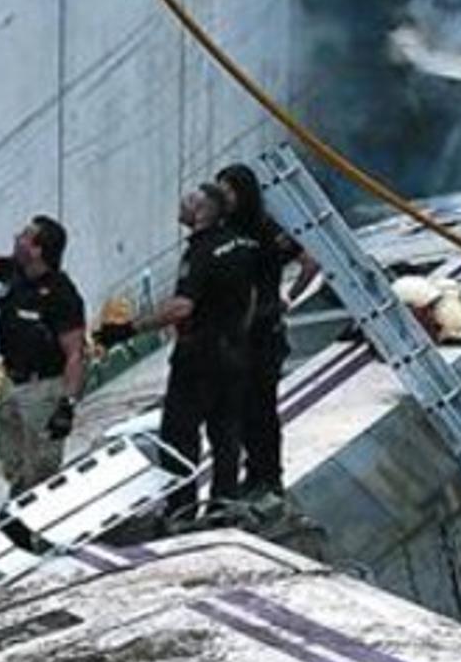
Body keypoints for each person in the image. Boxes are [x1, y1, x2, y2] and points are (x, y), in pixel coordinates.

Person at [95, 184, 259, 520]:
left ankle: (181, 509)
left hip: (199, 358)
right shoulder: (242, 245)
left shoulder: (200, 252)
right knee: (226, 433)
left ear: (201, 213)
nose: (180, 207)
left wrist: (128, 330)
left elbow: (182, 307)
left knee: (179, 435)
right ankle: (223, 506)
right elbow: (252, 296)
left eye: (187, 203)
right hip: (236, 353)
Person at [0, 216, 86, 496]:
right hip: (13, 383)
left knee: (42, 470)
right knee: (14, 464)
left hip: (44, 389)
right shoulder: (15, 272)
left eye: (25, 235)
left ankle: (41, 529)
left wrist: (66, 406)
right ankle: (21, 513)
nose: (16, 237)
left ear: (37, 250)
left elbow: (76, 353)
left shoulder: (61, 294)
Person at [216, 162, 318, 503]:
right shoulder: (225, 231)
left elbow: (309, 260)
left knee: (261, 407)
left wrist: (288, 297)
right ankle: (254, 472)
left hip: (263, 333)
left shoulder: (263, 230)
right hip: (234, 336)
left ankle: (269, 476)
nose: (222, 198)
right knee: (240, 408)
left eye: (228, 191)